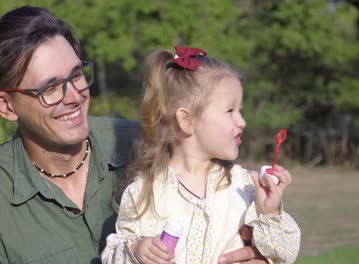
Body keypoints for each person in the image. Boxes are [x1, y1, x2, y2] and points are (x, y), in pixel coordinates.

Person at [0, 6, 270, 264]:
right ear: (6, 106)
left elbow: (238, 218)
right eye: (50, 88)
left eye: (76, 75)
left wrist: (258, 254)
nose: (74, 95)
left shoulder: (150, 144)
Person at [101, 47, 301, 264]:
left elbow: (285, 254)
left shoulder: (243, 186)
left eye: (240, 110)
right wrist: (137, 249)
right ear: (187, 120)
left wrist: (269, 213)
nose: (242, 121)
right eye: (230, 111)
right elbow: (112, 255)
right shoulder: (144, 191)